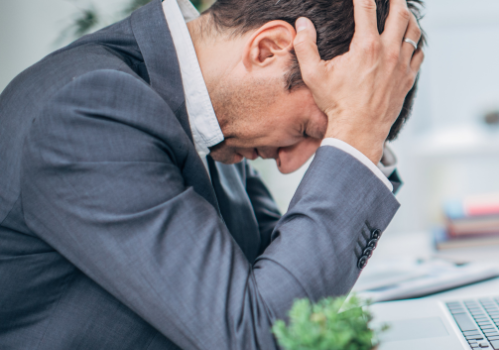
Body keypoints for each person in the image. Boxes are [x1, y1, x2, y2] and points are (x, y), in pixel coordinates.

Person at [0, 0, 424, 348]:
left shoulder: (204, 116)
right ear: (269, 49)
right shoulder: (92, 112)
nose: (290, 164)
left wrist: (366, 126)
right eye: (306, 132)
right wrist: (355, 132)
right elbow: (265, 335)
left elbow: (284, 283)